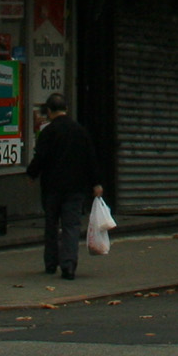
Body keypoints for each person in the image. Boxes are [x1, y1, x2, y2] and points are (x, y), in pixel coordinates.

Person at [24, 94, 104, 280]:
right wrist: (96, 183)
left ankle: (51, 263)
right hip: (75, 188)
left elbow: (40, 157)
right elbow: (90, 159)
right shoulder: (80, 131)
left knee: (51, 225)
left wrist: (32, 174)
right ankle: (68, 266)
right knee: (71, 226)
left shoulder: (48, 132)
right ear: (66, 109)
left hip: (52, 188)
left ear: (49, 111)